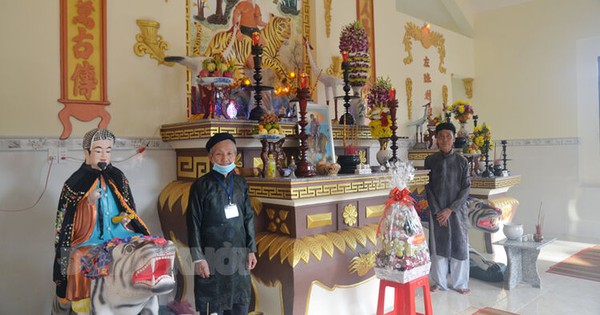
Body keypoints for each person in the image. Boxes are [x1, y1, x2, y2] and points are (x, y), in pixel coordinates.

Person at [52, 128, 150, 313]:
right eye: (98, 150)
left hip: (118, 234)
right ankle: (82, 304)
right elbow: (67, 222)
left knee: (144, 246)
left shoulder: (118, 177)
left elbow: (127, 209)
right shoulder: (75, 182)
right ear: (86, 152)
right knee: (78, 257)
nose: (104, 155)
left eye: (108, 150)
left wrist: (124, 221)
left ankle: (135, 301)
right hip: (89, 237)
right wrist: (87, 203)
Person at [186, 133, 257, 315]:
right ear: (210, 157)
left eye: (230, 154)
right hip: (211, 254)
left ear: (236, 156)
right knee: (212, 303)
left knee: (238, 303)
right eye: (219, 154)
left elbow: (248, 217)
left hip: (239, 254)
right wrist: (198, 257)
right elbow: (193, 222)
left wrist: (251, 249)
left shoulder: (241, 183)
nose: (225, 159)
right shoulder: (201, 185)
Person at [424, 122, 471, 294]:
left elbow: (466, 188)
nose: (445, 140)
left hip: (457, 211)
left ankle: (460, 283)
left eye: (448, 136)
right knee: (438, 246)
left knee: (460, 245)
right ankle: (439, 282)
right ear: (436, 139)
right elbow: (427, 187)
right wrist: (437, 211)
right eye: (441, 136)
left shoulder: (462, 161)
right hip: (437, 212)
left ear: (453, 139)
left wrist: (450, 209)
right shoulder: (430, 160)